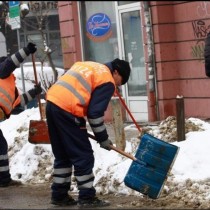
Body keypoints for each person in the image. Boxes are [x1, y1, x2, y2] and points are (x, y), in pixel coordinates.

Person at [46, 58, 131, 207]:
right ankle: (87, 198)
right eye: (119, 82)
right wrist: (103, 138)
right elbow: (95, 113)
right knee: (83, 155)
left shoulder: (89, 65)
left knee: (63, 154)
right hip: (68, 110)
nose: (116, 86)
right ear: (116, 72)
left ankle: (59, 195)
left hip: (52, 103)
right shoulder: (107, 80)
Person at [0, 42, 43, 187]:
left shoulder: (8, 84)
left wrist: (34, 92)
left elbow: (18, 102)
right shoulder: (2, 72)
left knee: (1, 146)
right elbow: (10, 63)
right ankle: (3, 179)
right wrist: (26, 51)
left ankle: (4, 179)